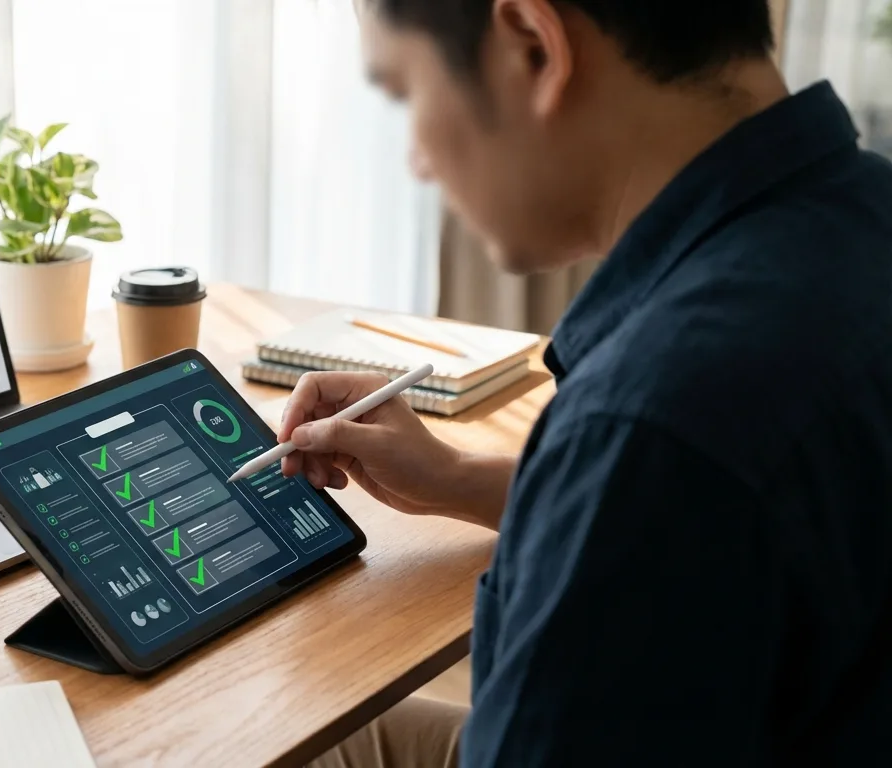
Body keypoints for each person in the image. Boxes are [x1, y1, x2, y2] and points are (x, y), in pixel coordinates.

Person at [294, 1, 892, 766]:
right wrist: (462, 479)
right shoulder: (858, 221)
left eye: (408, 90)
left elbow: (676, 480)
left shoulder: (654, 423)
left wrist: (596, 474)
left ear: (532, 49)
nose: (416, 159)